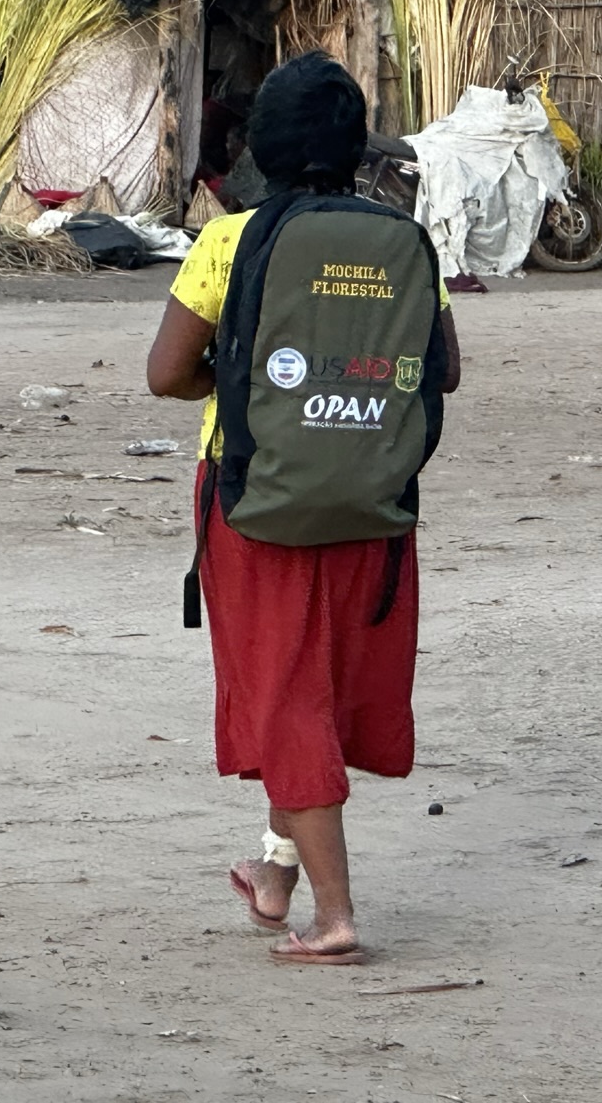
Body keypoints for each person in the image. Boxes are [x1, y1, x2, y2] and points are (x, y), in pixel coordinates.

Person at [146, 54, 461, 966]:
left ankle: (336, 918)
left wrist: (247, 385)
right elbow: (439, 369)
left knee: (284, 698)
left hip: (256, 501)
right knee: (316, 687)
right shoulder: (402, 239)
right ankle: (277, 869)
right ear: (355, 148)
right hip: (371, 497)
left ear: (263, 150)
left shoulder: (231, 241)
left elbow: (168, 374)